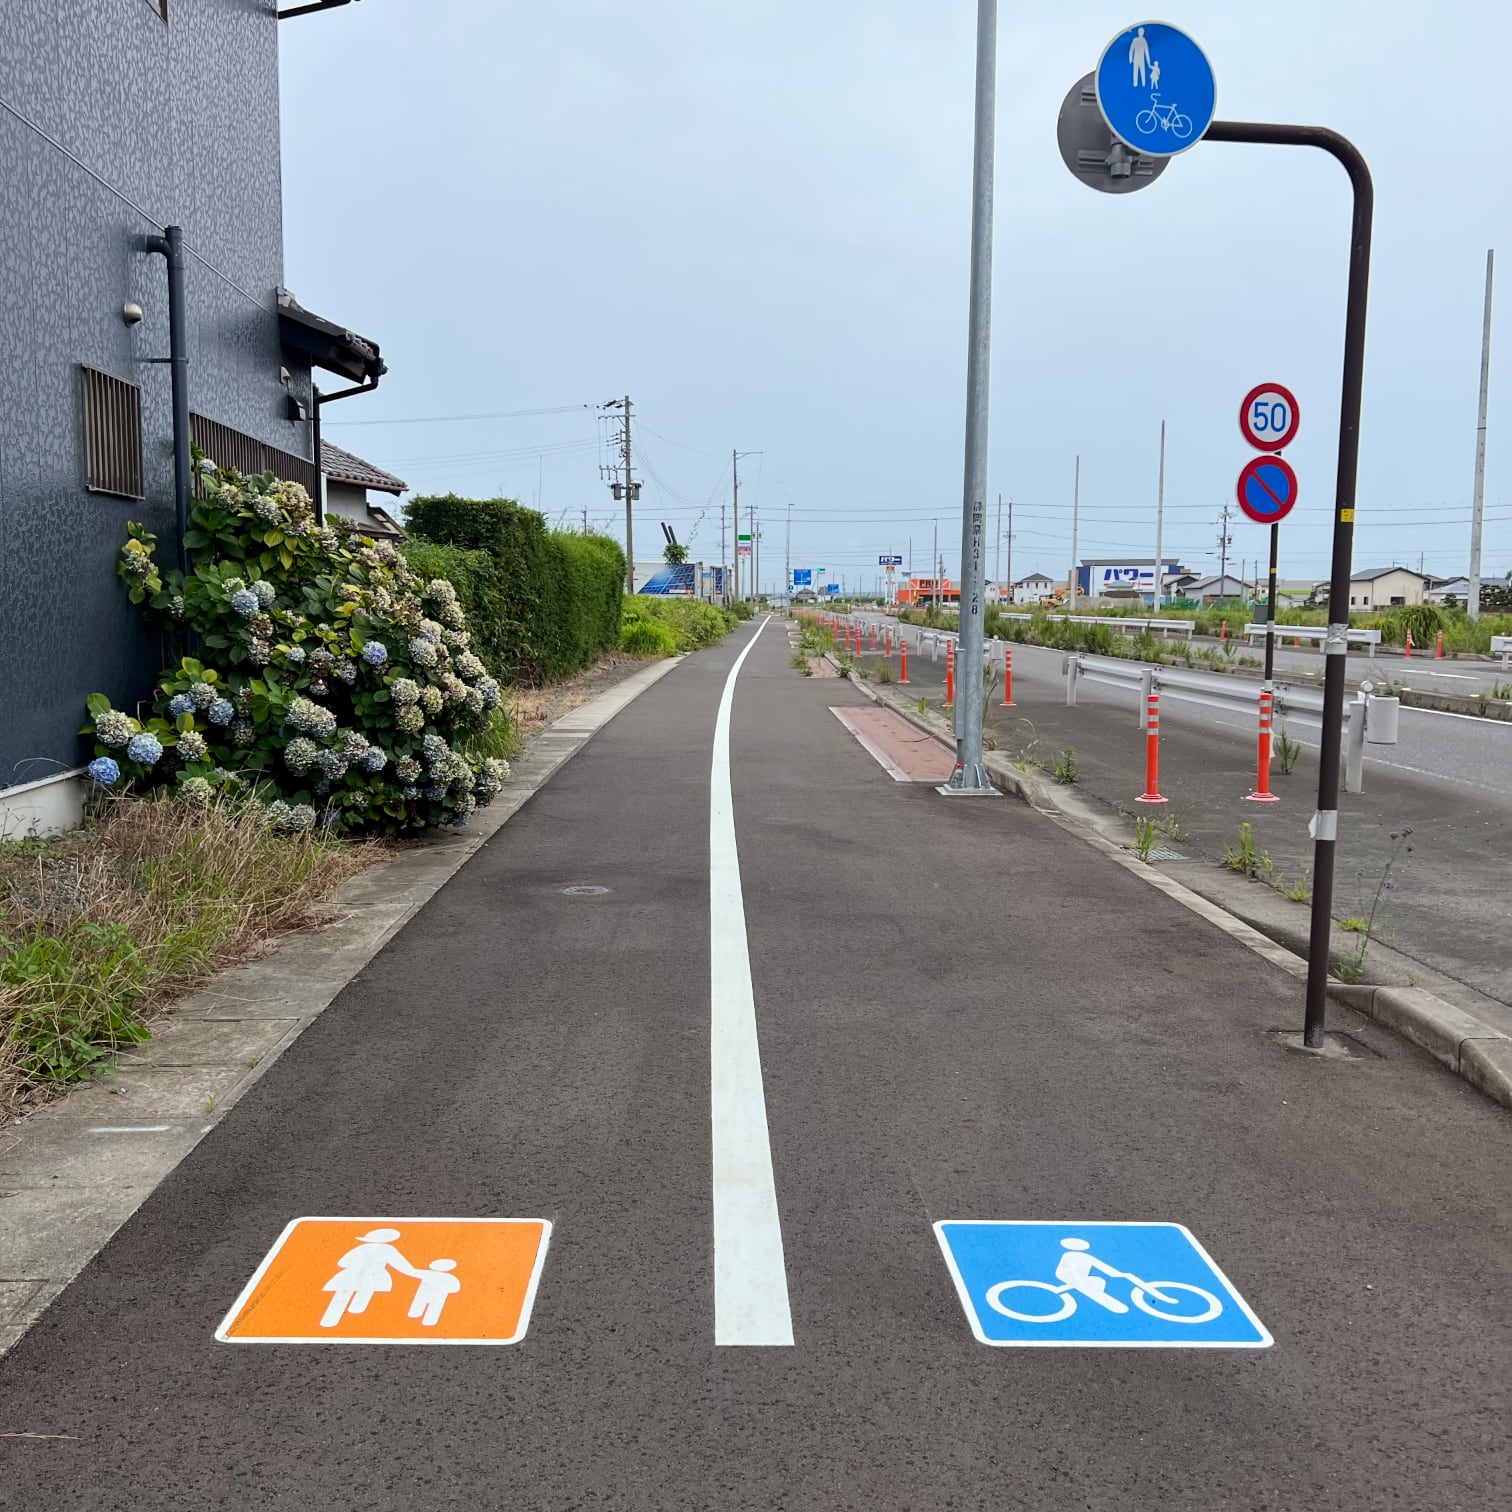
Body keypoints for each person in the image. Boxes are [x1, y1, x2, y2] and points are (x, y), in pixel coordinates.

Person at [319, 1228, 427, 1328]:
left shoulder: (361, 1248)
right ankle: (354, 1313)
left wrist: (356, 1265)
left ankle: (329, 1321)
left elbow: (342, 1263)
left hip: (350, 1274)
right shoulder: (387, 1249)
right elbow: (401, 1265)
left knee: (342, 1295)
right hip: (374, 1275)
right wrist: (416, 1273)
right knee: (364, 1293)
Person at [1054, 1236, 1132, 1313]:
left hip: (1081, 1278)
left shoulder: (1086, 1257)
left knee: (1099, 1281)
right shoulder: (1068, 1255)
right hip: (1065, 1276)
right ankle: (1061, 1290)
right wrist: (1076, 1280)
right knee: (1082, 1283)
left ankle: (1099, 1296)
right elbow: (1068, 1269)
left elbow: (1102, 1266)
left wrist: (1118, 1274)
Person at [408, 1259, 462, 1327]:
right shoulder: (451, 1278)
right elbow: (456, 1288)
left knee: (420, 1306)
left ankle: (416, 1314)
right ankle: (427, 1320)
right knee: (432, 1310)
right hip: (437, 1296)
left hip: (427, 1295)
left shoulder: (428, 1274)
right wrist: (445, 1289)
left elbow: (412, 1271)